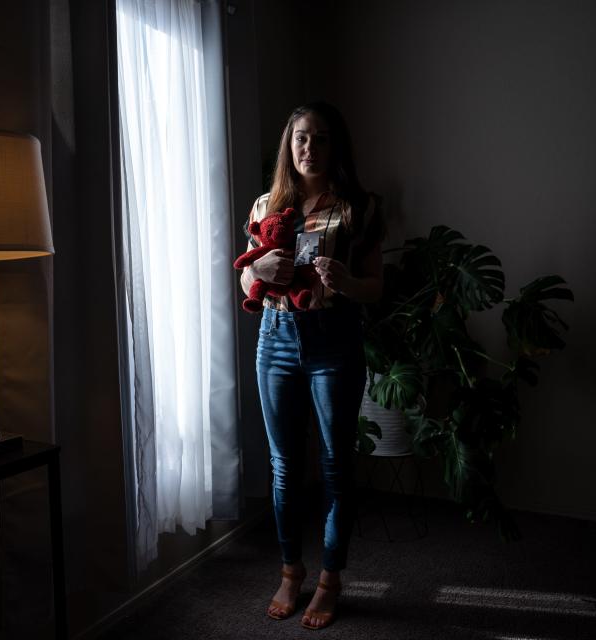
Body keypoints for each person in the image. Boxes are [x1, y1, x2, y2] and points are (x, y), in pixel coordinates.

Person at [239, 102, 385, 630]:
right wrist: (257, 269)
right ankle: (290, 570)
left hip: (334, 341)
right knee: (282, 466)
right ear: (289, 145)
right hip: (274, 338)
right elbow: (244, 280)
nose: (309, 148)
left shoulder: (359, 208)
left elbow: (376, 285)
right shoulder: (264, 205)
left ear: (334, 147)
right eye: (301, 138)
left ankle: (329, 580)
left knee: (333, 466)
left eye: (320, 139)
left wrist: (347, 283)